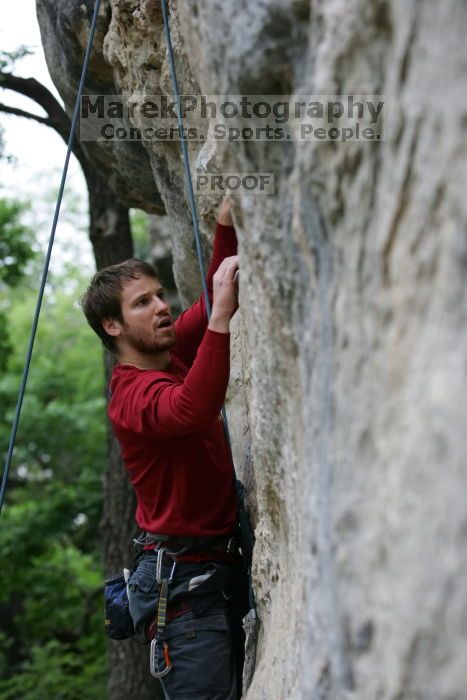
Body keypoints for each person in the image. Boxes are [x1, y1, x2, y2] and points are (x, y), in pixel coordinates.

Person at [80, 196, 247, 700]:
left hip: (212, 571)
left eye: (158, 295)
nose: (161, 307)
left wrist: (225, 222)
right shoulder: (130, 396)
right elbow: (188, 409)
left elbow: (216, 289)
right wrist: (219, 319)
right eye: (142, 303)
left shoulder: (165, 353)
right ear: (113, 326)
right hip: (184, 597)